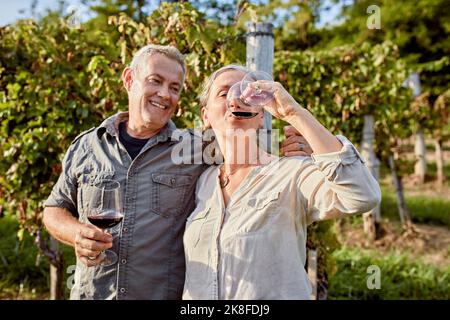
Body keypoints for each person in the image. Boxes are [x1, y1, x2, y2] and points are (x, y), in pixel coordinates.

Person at [43, 45, 309, 300]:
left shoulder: (197, 148)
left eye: (174, 88)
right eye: (155, 81)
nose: (164, 94)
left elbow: (247, 148)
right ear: (128, 79)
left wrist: (297, 145)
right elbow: (54, 209)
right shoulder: (86, 146)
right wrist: (76, 233)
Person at [182, 64, 381, 300]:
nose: (235, 101)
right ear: (205, 116)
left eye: (247, 94)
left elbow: (363, 196)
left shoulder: (291, 171)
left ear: (260, 116)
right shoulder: (202, 182)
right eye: (224, 93)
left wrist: (293, 112)